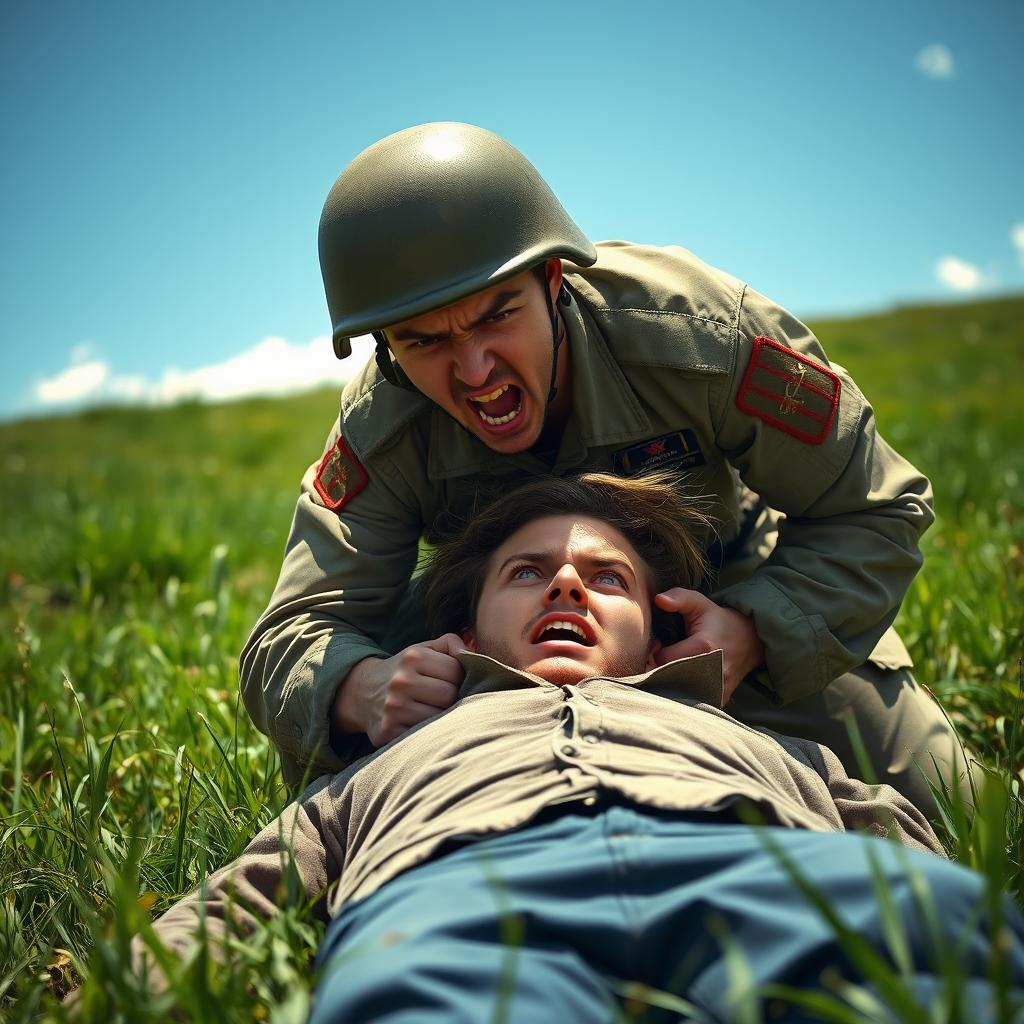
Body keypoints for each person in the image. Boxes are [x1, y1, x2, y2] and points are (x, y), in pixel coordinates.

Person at [240, 121, 969, 815]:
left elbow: (877, 508)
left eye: (497, 315)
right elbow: (292, 635)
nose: (474, 370)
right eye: (424, 341)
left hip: (725, 599)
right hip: (495, 649)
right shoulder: (384, 424)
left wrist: (754, 631)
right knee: (340, 813)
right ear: (387, 348)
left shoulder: (700, 337)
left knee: (953, 807)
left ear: (554, 279)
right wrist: (364, 690)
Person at [130, 473, 1020, 1022]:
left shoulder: (749, 734)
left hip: (758, 860)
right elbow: (243, 890)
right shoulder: (386, 760)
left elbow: (890, 826)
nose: (566, 579)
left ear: (659, 623)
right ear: (466, 626)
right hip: (460, 900)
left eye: (608, 578)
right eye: (527, 571)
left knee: (941, 953)